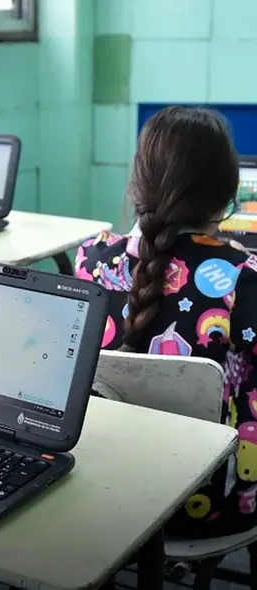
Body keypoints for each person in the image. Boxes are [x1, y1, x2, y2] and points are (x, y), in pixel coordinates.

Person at [76, 106, 257, 538]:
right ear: (227, 194)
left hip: (99, 488)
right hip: (209, 503)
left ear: (138, 183)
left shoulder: (92, 259)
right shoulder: (243, 276)